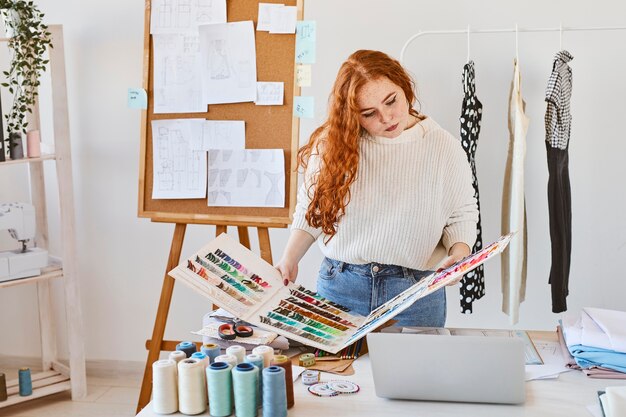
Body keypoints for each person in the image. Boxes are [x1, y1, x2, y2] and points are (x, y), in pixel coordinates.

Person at [276, 50, 478, 327]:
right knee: (334, 371)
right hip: (341, 286)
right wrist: (289, 260)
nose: (386, 118)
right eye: (369, 114)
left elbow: (462, 215)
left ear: (404, 86)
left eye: (391, 101)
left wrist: (459, 255)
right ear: (352, 115)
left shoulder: (443, 146)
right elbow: (312, 208)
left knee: (417, 372)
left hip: (415, 292)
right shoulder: (333, 145)